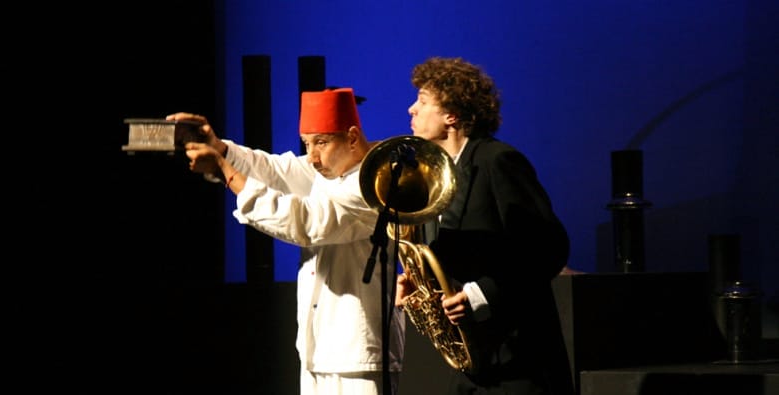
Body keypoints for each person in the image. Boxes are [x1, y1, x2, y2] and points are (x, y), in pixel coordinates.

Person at [167, 87, 405, 395]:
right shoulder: (324, 171)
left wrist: (226, 172)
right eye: (307, 143)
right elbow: (273, 170)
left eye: (321, 141)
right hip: (318, 349)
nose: (313, 156)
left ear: (351, 137)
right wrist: (219, 148)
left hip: (358, 350)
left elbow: (307, 222)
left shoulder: (374, 185)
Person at [395, 57, 574, 395]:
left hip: (517, 356)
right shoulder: (434, 176)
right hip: (474, 359)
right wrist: (421, 287)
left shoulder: (497, 161)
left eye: (422, 100)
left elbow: (547, 249)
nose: (411, 109)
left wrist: (479, 294)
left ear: (452, 115)